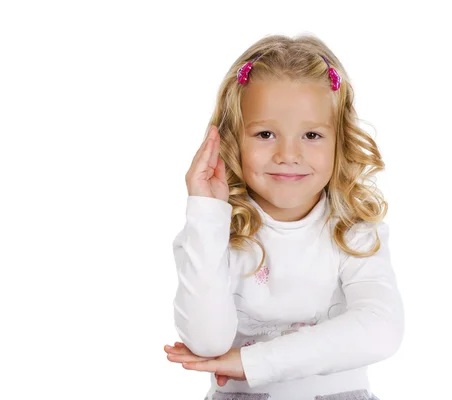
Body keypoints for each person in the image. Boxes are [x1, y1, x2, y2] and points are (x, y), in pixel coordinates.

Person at [163, 33, 404, 400]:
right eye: (265, 134)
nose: (288, 154)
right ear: (231, 140)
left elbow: (381, 328)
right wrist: (207, 212)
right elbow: (207, 341)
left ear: (340, 140)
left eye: (311, 134)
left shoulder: (352, 231)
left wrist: (251, 363)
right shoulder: (214, 231)